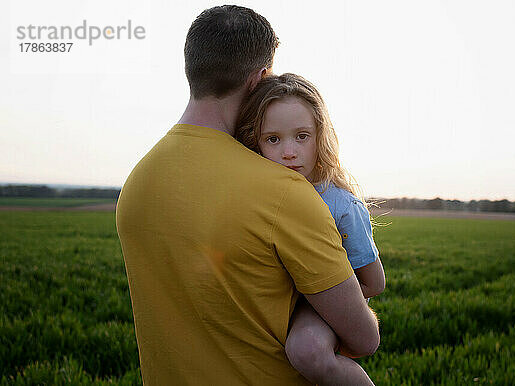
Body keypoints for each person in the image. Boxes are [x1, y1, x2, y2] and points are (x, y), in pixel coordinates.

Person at [115, 5, 379, 386]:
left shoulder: (137, 184)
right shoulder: (285, 192)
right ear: (260, 78)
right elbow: (364, 338)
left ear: (193, 70)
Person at [236, 73, 386, 385]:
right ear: (257, 143)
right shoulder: (256, 199)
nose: (288, 152)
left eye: (301, 136)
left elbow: (374, 282)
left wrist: (323, 295)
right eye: (273, 139)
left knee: (307, 350)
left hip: (319, 305)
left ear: (320, 136)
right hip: (274, 301)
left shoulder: (342, 207)